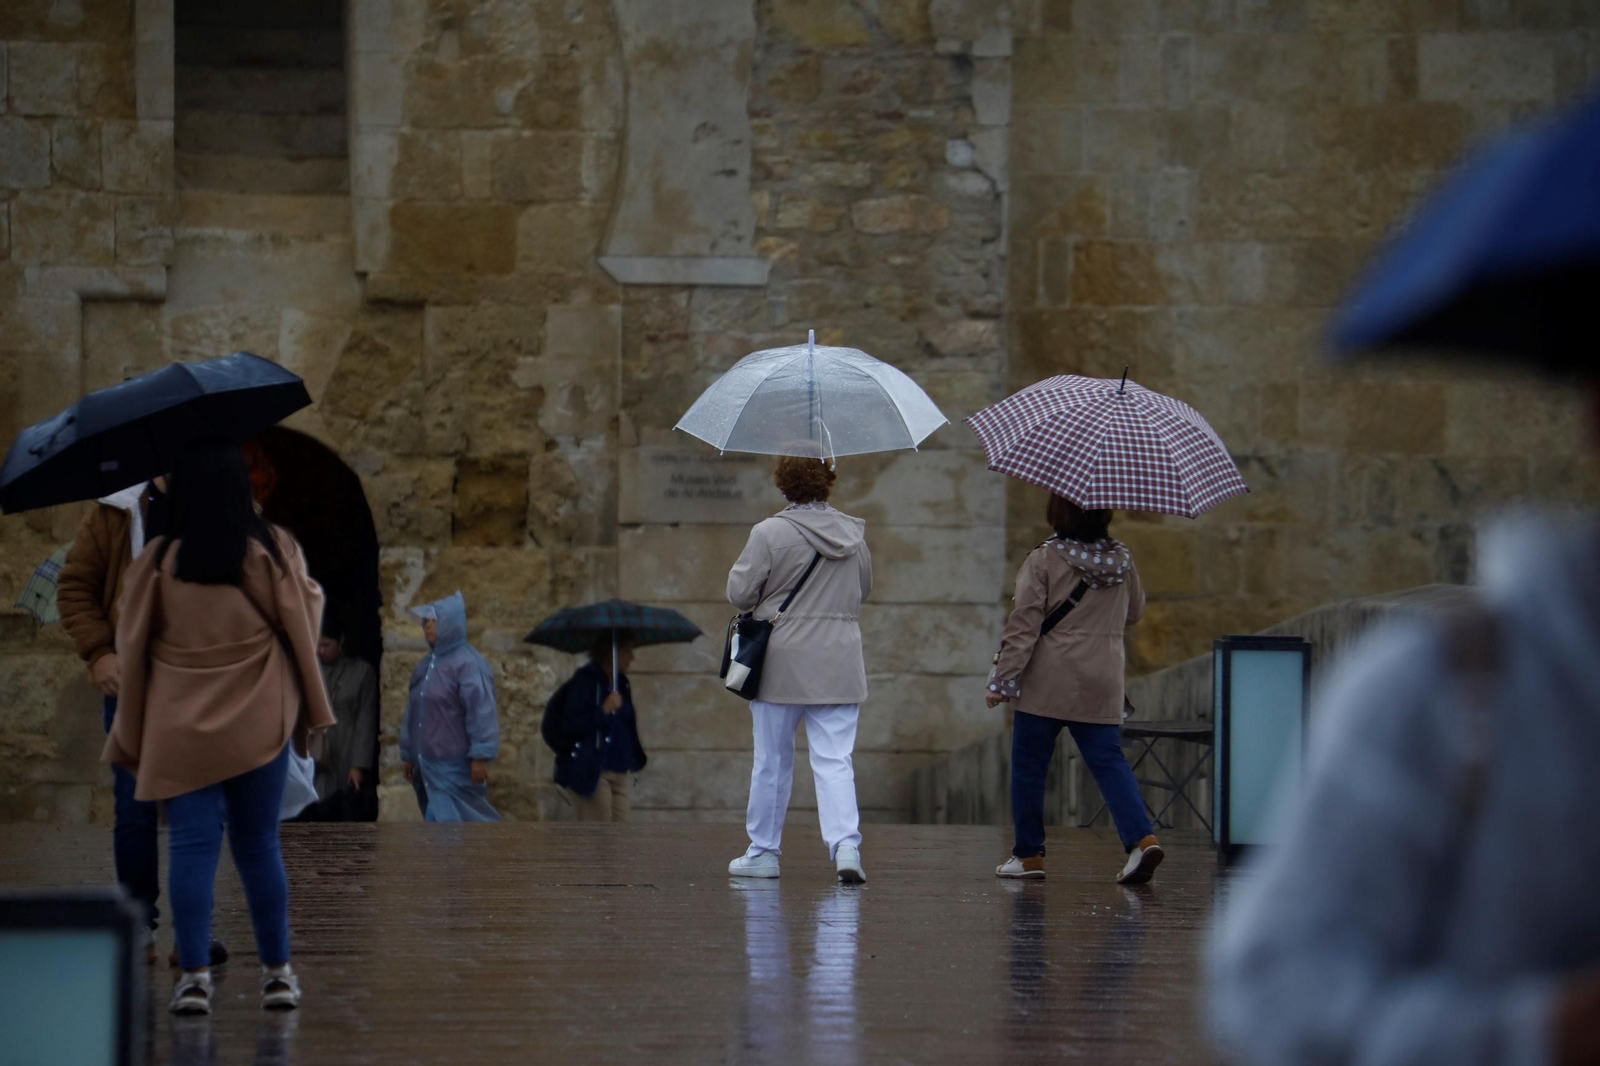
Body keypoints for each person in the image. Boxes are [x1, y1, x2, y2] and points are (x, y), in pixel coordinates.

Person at [1208, 513, 1600, 1063]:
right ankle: (1131, 839)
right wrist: (1540, 1037)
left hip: (1060, 687)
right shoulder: (1448, 688)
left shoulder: (1432, 683)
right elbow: (1276, 984)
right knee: (1103, 760)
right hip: (1099, 689)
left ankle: (1048, 850)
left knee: (1070, 762)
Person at [104, 438, 335, 1015]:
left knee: (190, 848)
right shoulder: (269, 549)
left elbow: (132, 641)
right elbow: (305, 612)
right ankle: (278, 974)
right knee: (259, 847)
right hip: (259, 718)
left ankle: (193, 981)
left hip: (181, 727)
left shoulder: (158, 561)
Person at [57, 477, 229, 969]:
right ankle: (137, 923)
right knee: (133, 809)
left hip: (198, 684)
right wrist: (99, 653)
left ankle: (194, 931)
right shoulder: (117, 512)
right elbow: (75, 586)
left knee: (199, 810)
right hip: (131, 686)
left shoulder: (219, 502)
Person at [986, 495, 1161, 885]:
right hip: (1103, 677)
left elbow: (1024, 625)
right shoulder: (1123, 559)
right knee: (1110, 762)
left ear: (1057, 512)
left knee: (1030, 768)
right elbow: (1135, 613)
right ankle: (1141, 839)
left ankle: (1028, 855)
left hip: (1048, 679)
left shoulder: (1044, 559)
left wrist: (1003, 680)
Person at [725, 455, 873, 885]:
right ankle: (846, 845)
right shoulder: (854, 535)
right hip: (840, 659)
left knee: (772, 760)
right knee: (835, 759)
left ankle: (763, 852)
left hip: (781, 660)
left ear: (783, 485)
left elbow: (739, 592)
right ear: (827, 482)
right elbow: (864, 589)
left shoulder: (769, 532)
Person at [399, 592, 501, 822]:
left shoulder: (468, 663)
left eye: (435, 621)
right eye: (427, 622)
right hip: (427, 768)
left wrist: (481, 755)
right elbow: (413, 712)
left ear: (451, 623)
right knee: (444, 830)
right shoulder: (425, 666)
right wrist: (409, 754)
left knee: (448, 828)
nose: (428, 627)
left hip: (455, 768)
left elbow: (481, 710)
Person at [544, 633, 649, 821]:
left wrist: (633, 756)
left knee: (620, 836)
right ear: (612, 653)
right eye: (627, 651)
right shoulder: (585, 682)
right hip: (591, 772)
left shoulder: (621, 684)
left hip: (619, 773)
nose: (632, 657)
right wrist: (603, 710)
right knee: (598, 839)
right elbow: (571, 725)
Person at [305, 613, 378, 821]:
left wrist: (358, 765)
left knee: (344, 812)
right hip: (316, 754)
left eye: (326, 644)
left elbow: (366, 719)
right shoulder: (312, 671)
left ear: (341, 641)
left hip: (346, 752)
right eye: (317, 644)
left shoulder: (361, 673)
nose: (321, 650)